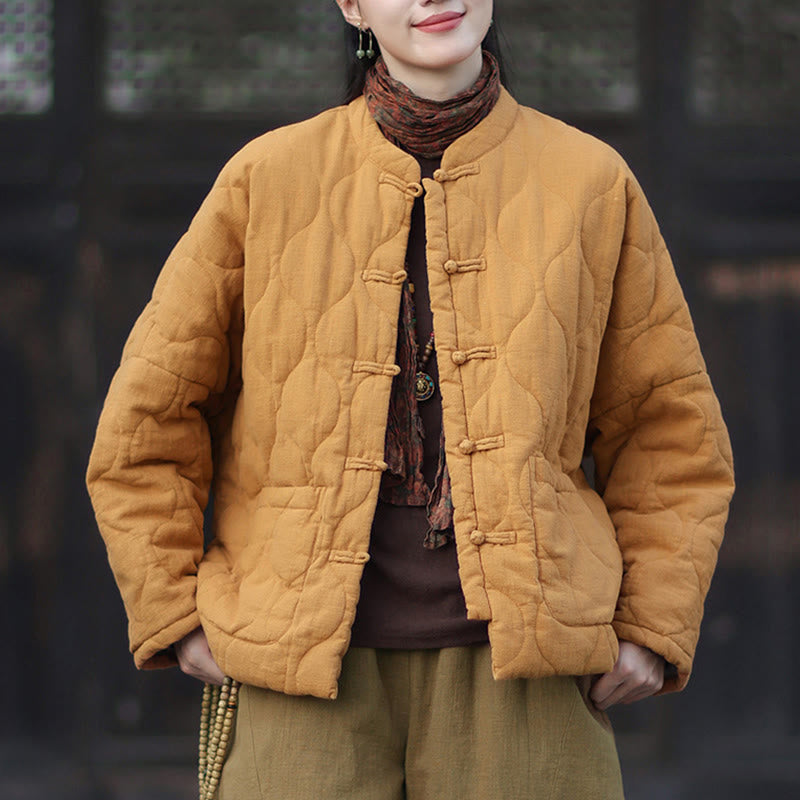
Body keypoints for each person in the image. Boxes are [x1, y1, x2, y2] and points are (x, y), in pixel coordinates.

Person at [86, 1, 735, 797]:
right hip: (298, 679)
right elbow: (146, 422)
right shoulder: (267, 178)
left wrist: (650, 625)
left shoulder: (590, 182)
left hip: (527, 682)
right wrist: (174, 612)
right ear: (354, 5)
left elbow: (671, 432)